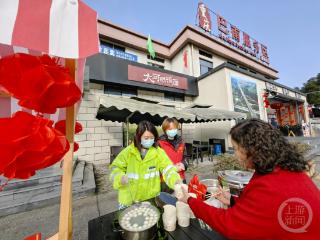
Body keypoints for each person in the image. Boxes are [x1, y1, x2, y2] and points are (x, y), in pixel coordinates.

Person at [177, 119, 320, 239]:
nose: (235, 155)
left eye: (236, 148)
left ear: (251, 149)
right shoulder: (284, 170)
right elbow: (265, 210)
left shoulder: (271, 184)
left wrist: (191, 201)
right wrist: (232, 200)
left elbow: (229, 224)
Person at [109, 120, 181, 209]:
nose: (149, 140)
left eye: (152, 138)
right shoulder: (128, 152)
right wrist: (119, 178)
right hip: (129, 200)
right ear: (139, 137)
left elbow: (168, 169)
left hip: (150, 199)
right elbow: (115, 167)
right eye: (146, 138)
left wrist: (175, 181)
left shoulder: (158, 152)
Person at [158, 118, 188, 186]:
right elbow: (157, 163)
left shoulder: (181, 142)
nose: (172, 131)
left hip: (180, 178)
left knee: (182, 196)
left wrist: (184, 164)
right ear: (165, 130)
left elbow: (185, 158)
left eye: (174, 129)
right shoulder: (159, 143)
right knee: (167, 196)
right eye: (170, 129)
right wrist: (173, 168)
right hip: (165, 180)